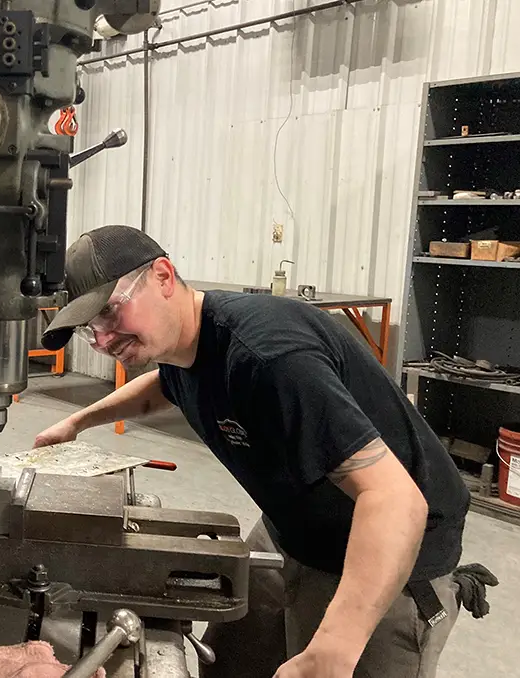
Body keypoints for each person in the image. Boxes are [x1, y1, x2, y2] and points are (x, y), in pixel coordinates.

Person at [33, 224, 484, 678]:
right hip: (292, 530)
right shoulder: (186, 346)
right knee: (230, 663)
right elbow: (167, 386)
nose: (104, 340)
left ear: (163, 277)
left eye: (110, 313)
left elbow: (396, 500)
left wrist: (335, 647)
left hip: (392, 551)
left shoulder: (271, 358)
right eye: (90, 330)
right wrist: (78, 421)